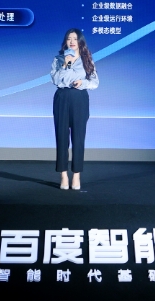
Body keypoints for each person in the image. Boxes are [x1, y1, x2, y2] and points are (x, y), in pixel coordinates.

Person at [49, 28, 99, 190]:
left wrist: (82, 83)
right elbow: (56, 80)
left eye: (75, 39)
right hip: (62, 98)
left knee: (78, 137)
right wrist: (65, 64)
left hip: (79, 99)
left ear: (80, 42)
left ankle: (76, 175)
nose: (71, 41)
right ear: (65, 41)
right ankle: (63, 175)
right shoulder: (58, 59)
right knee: (61, 137)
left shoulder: (87, 59)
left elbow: (95, 82)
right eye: (69, 38)